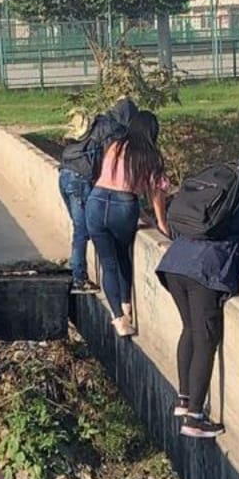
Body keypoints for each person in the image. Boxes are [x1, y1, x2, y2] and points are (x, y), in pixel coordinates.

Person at [157, 139, 239, 439]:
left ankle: (183, 400)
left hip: (175, 262)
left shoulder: (230, 181)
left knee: (190, 329)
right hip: (206, 270)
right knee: (206, 339)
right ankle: (194, 418)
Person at [86, 110, 169, 338]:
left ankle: (119, 318)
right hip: (124, 207)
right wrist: (161, 222)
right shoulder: (150, 155)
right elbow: (157, 191)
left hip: (96, 201)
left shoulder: (115, 146)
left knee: (108, 263)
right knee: (123, 255)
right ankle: (126, 304)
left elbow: (112, 180)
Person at [59, 97, 138, 293]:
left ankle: (76, 268)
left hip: (65, 174)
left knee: (80, 228)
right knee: (82, 231)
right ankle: (79, 278)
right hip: (80, 179)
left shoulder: (100, 123)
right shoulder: (114, 130)